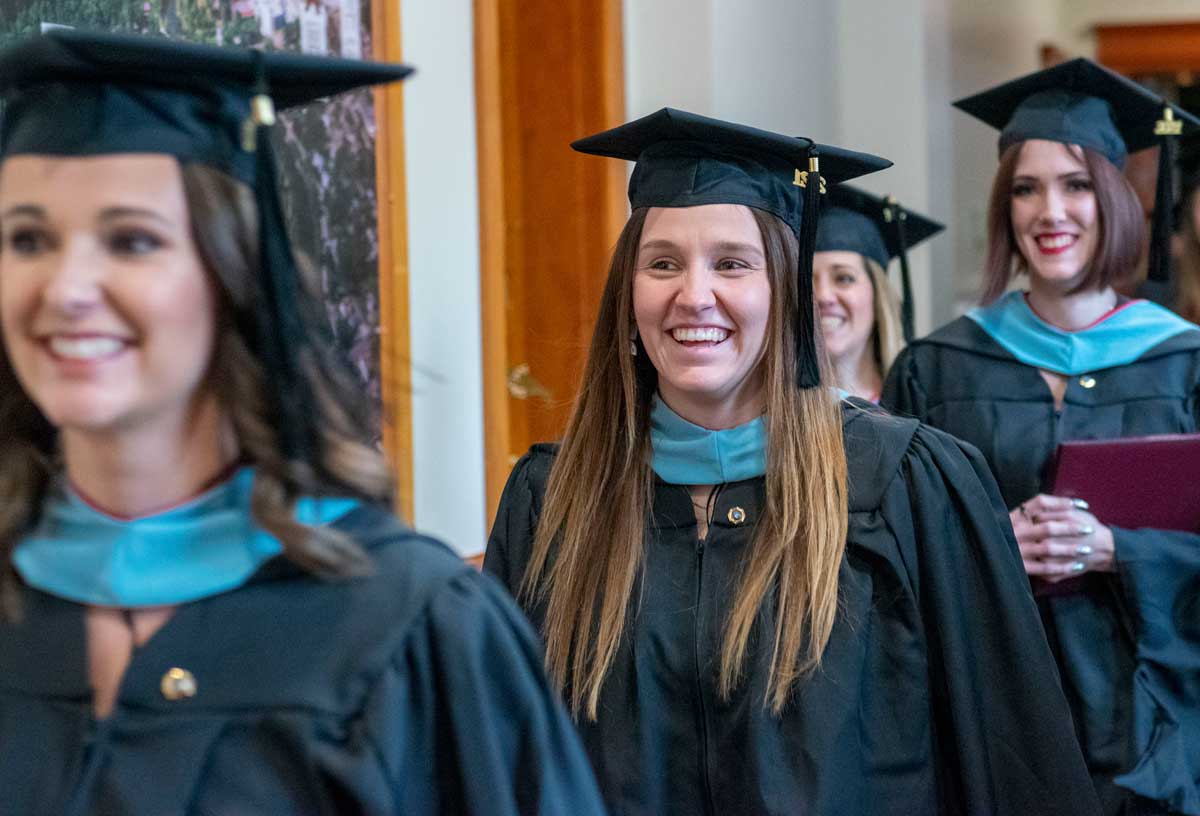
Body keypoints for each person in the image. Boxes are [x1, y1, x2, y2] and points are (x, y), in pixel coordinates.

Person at [0, 29, 605, 815]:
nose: (67, 287)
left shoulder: (407, 625)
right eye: (27, 239)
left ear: (237, 274)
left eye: (132, 240)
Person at [484, 107, 1099, 815]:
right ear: (629, 293)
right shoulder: (553, 501)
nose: (693, 295)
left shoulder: (906, 483)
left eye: (732, 263)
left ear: (783, 288)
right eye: (662, 264)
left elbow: (1010, 764)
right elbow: (506, 763)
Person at [882, 58, 1200, 815]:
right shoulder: (936, 367)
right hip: (991, 725)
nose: (1048, 211)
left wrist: (1118, 550)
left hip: (1156, 737)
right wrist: (988, 548)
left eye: (1075, 184)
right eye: (1025, 188)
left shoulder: (1185, 363)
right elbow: (885, 554)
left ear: (1117, 198)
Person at [813, 185, 942, 400]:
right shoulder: (766, 415)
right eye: (806, 282)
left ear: (878, 295)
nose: (823, 296)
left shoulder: (925, 403)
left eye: (844, 278)